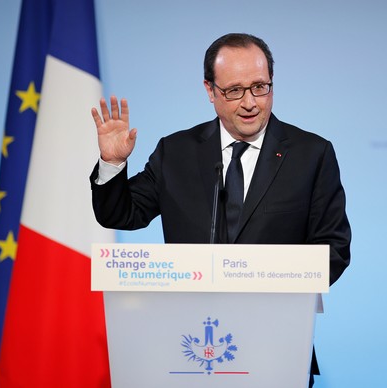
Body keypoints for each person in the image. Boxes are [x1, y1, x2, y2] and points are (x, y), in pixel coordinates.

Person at [89, 32, 351, 387]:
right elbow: (122, 214)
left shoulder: (311, 154)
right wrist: (112, 163)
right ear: (210, 91)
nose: (250, 102)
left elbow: (333, 249)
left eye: (260, 87)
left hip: (277, 347)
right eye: (234, 90)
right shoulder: (176, 152)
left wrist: (270, 285)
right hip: (188, 348)